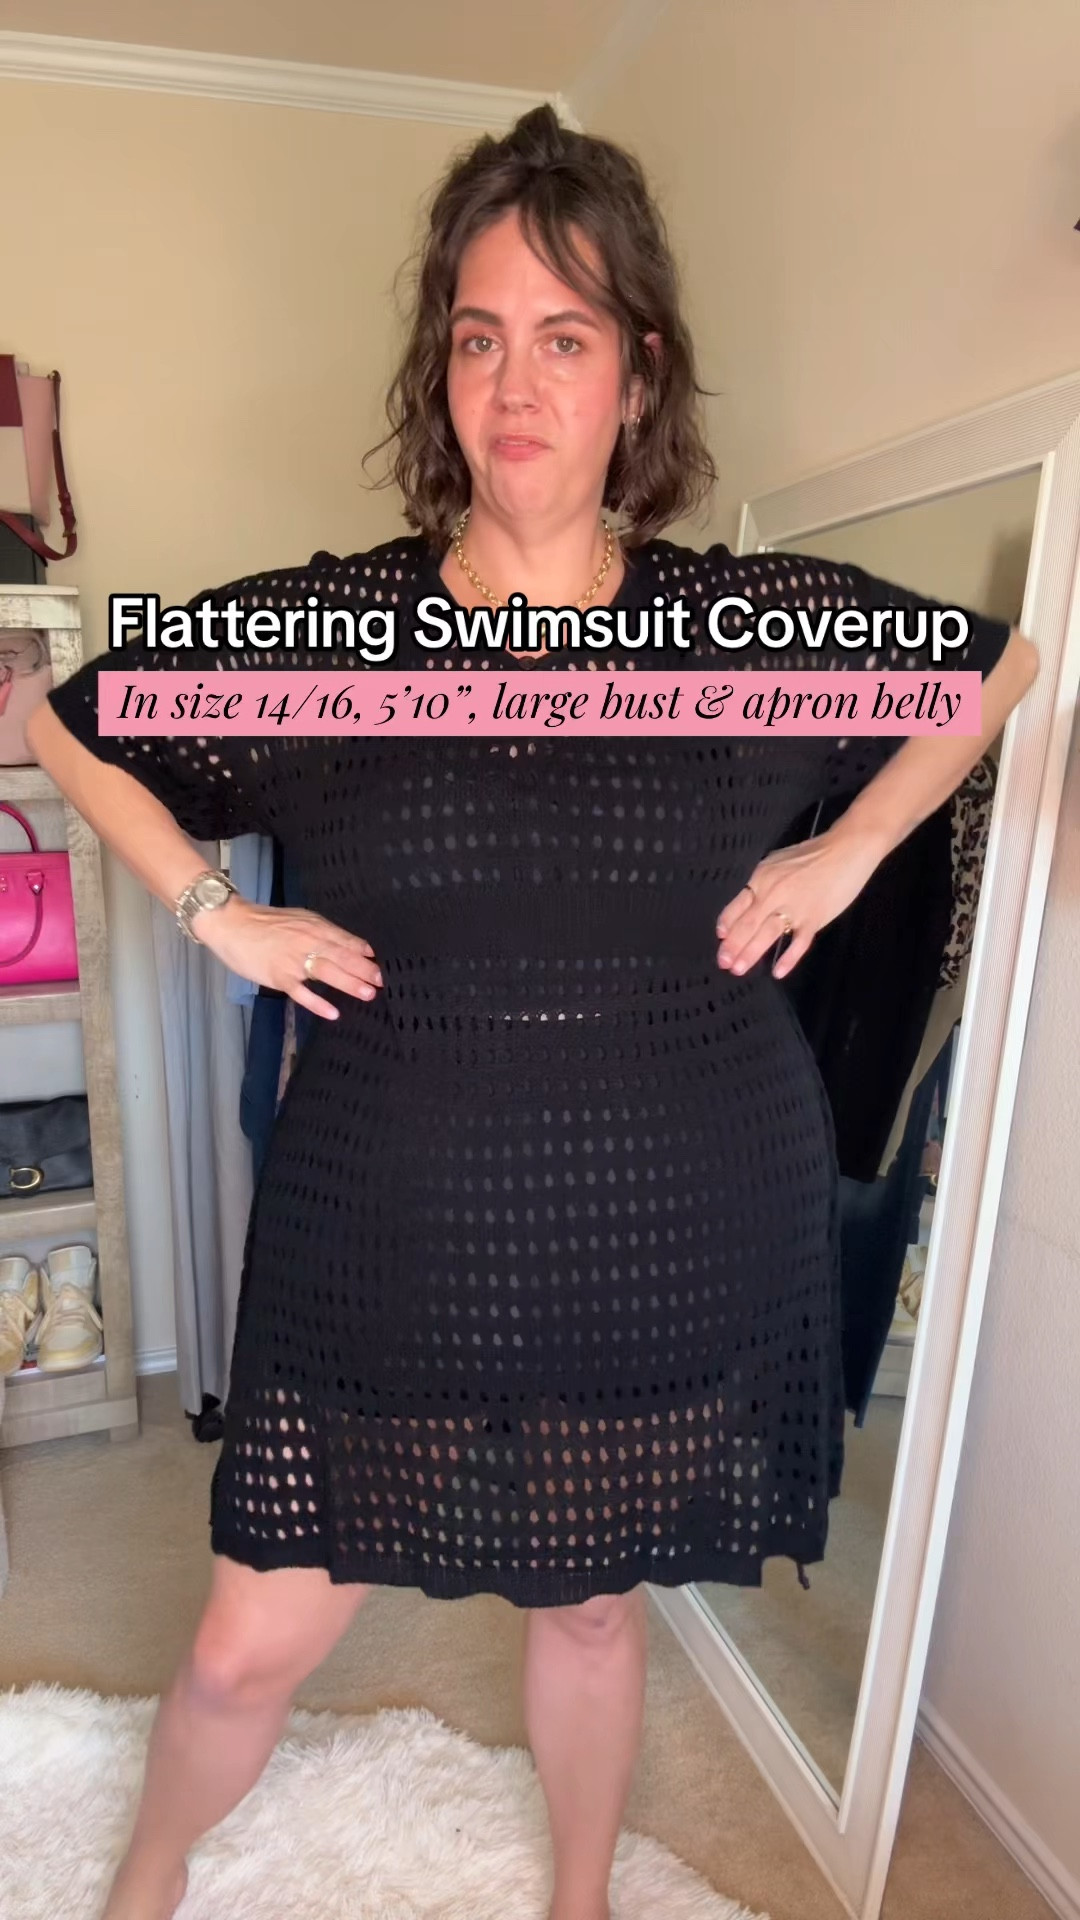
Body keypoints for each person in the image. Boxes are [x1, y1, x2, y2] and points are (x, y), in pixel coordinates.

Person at [28, 104, 1037, 1920]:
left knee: (586, 1604)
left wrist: (849, 854)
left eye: (565, 339)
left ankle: (579, 1901)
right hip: (385, 1221)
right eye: (480, 336)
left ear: (636, 376)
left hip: (667, 1212)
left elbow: (998, 666)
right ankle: (147, 1879)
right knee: (252, 1639)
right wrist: (213, 914)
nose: (518, 386)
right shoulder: (331, 642)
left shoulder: (744, 635)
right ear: (442, 370)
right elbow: (66, 721)